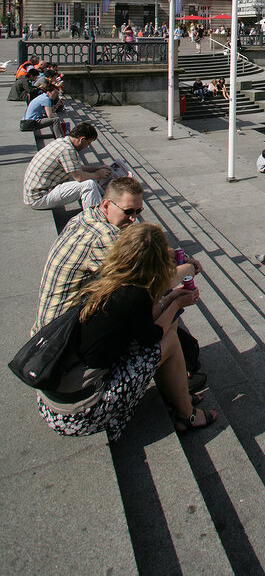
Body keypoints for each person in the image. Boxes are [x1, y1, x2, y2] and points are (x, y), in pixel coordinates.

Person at [36, 223, 217, 441]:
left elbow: (141, 318)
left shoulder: (109, 278)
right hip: (78, 414)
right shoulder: (134, 294)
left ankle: (180, 397)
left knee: (169, 328)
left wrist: (170, 298)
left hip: (55, 400)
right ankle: (187, 415)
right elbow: (153, 336)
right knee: (169, 337)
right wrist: (177, 304)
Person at [32, 175, 206, 390]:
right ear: (106, 204)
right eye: (128, 212)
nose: (134, 218)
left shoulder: (85, 218)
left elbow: (137, 247)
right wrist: (187, 270)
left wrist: (174, 256)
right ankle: (181, 376)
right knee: (159, 310)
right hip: (64, 343)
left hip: (52, 329)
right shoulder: (105, 239)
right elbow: (147, 286)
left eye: (138, 212)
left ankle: (183, 365)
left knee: (155, 311)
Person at [23, 121, 112, 211]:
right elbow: (79, 177)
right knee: (88, 185)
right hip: (39, 198)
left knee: (89, 179)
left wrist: (97, 168)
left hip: (37, 192)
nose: (87, 147)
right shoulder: (67, 150)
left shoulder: (62, 142)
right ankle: (93, 217)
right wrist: (98, 174)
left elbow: (77, 168)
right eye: (88, 143)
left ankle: (106, 202)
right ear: (82, 139)